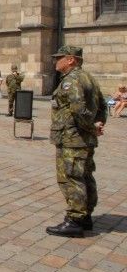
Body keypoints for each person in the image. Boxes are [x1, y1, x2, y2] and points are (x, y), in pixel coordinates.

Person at [46, 46, 107, 237]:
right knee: (85, 175)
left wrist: (91, 127)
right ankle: (86, 216)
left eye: (59, 57)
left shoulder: (71, 81)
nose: (56, 61)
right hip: (84, 138)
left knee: (71, 177)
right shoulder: (89, 78)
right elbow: (103, 106)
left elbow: (78, 110)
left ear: (71, 60)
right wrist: (97, 124)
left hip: (72, 138)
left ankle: (74, 220)